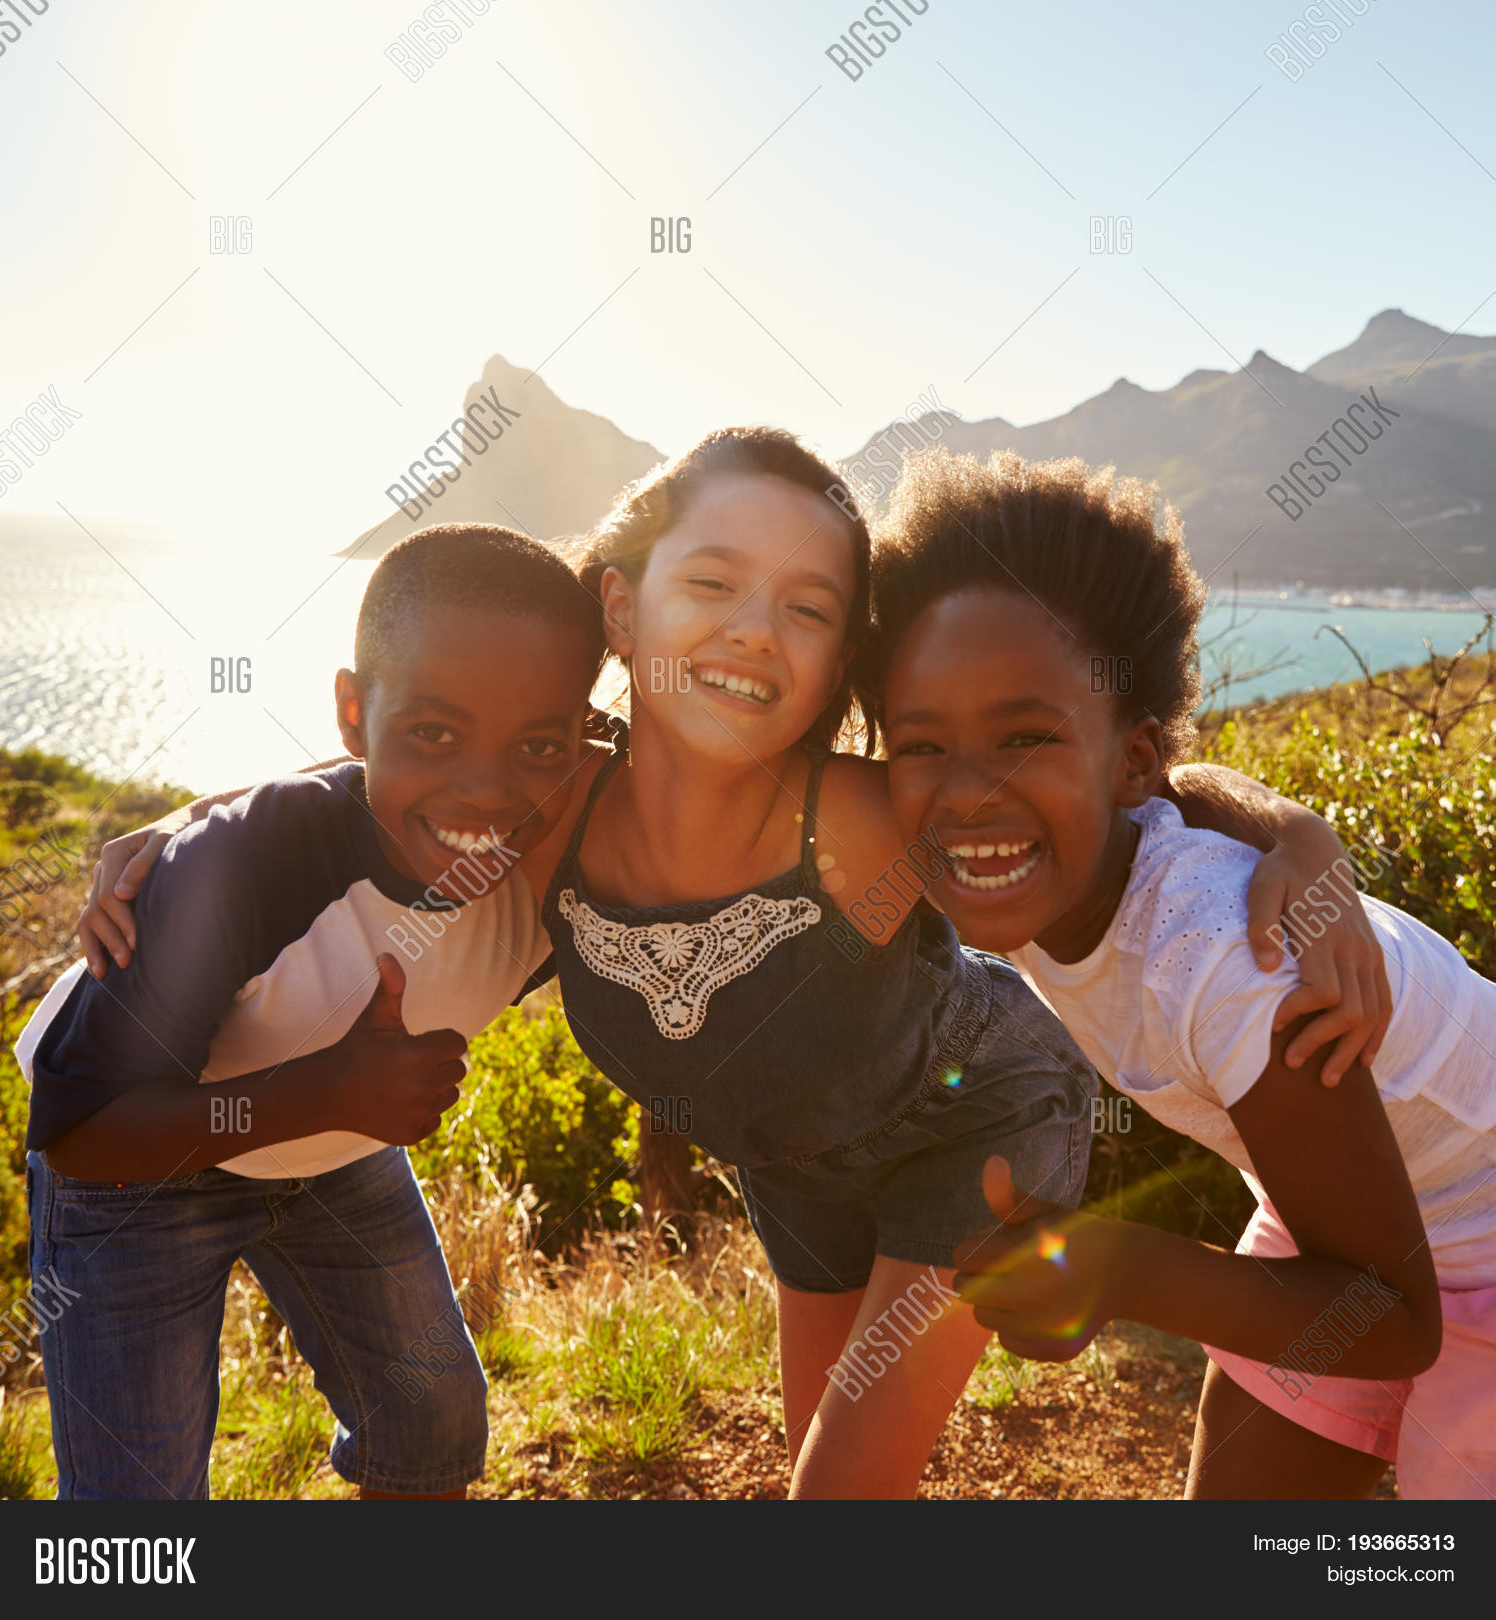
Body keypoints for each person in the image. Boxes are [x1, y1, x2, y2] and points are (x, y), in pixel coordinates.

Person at [86, 429, 1390, 1500]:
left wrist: (1299, 835)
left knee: (834, 1502)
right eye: (710, 584)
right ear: (622, 602)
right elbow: (405, 772)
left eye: (809, 608)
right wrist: (193, 831)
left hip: (971, 1127)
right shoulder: (551, 819)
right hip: (795, 1169)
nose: (754, 631)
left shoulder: (866, 820)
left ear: (839, 661)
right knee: (821, 1471)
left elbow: (1112, 794)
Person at [873, 446, 1496, 1499]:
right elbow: (1188, 787)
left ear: (1128, 760)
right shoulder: (1035, 859)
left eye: (1024, 736)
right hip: (1340, 1222)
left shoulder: (1228, 967)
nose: (967, 793)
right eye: (921, 745)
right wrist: (1300, 830)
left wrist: (1117, 1267)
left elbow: (1394, 1321)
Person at [17, 523, 607, 1499]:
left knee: (431, 1422)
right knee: (137, 1515)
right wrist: (327, 1091)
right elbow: (83, 1134)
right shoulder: (238, 872)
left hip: (332, 1140)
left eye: (539, 745)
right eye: (434, 733)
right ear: (350, 714)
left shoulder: (563, 871)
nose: (487, 791)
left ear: (582, 742)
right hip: (138, 1166)